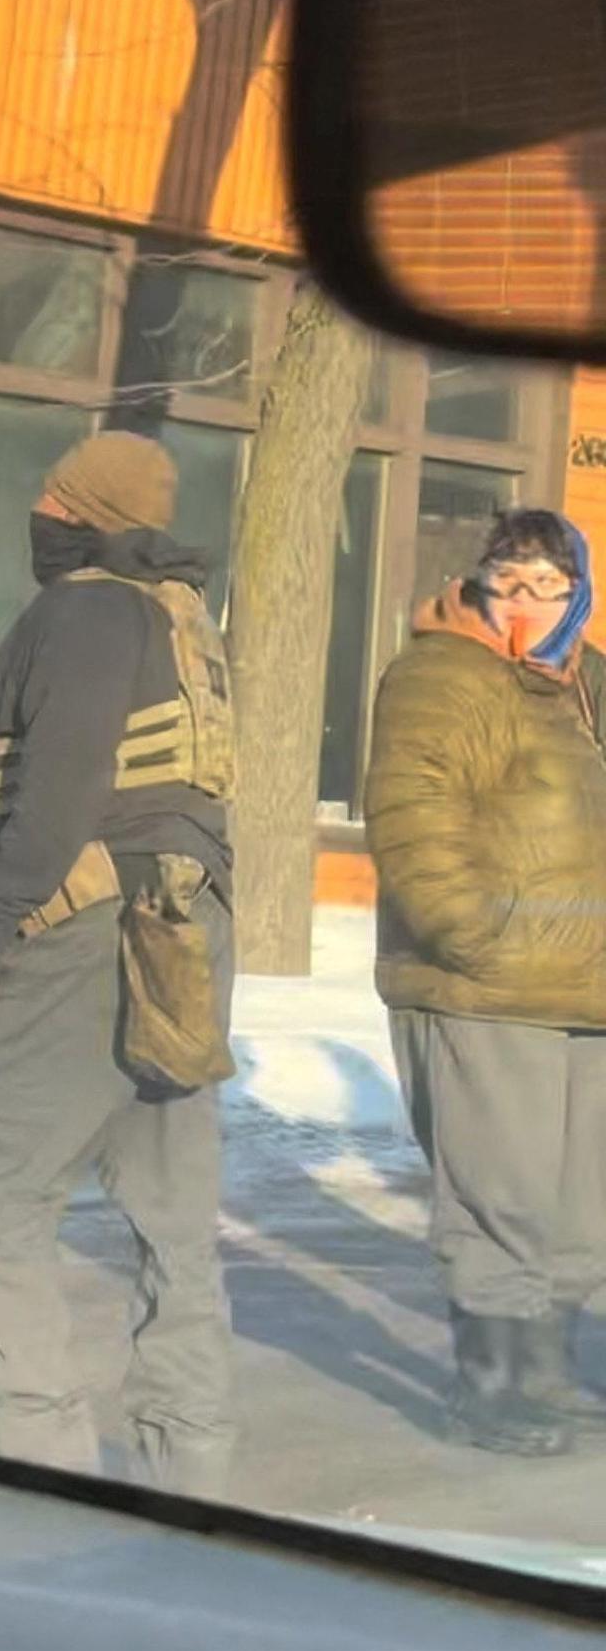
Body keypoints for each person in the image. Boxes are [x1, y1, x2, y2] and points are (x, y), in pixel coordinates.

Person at [0, 430, 238, 1494]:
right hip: (186, 922)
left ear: (90, 515)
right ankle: (187, 1468)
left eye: (58, 499)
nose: (42, 514)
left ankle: (46, 1462)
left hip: (90, 926)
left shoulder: (86, 609)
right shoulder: (177, 617)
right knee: (172, 1212)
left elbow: (62, 781)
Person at [365, 507, 606, 1458]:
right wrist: (479, 938)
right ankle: (495, 1389)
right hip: (485, 987)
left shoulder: (588, 688)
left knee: (582, 1205)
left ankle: (546, 1375)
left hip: (588, 992)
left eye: (548, 586)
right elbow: (412, 814)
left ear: (579, 593)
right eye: (508, 583)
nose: (525, 604)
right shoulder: (440, 673)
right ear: (479, 584)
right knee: (499, 1196)